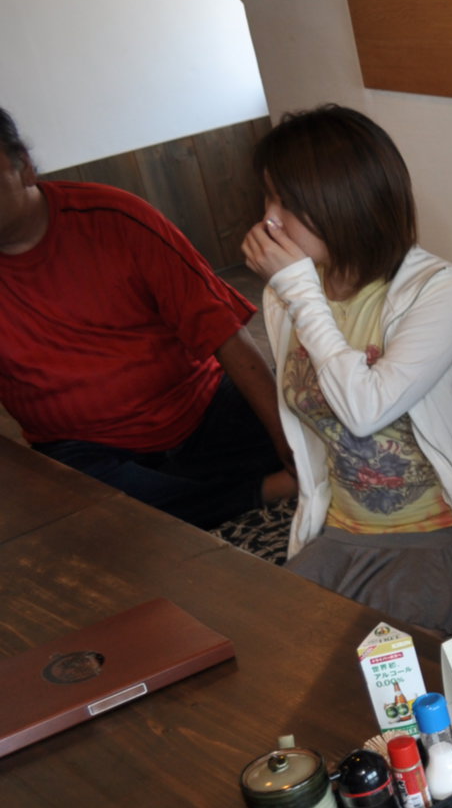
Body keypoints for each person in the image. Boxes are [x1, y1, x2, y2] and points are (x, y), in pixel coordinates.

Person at [241, 105, 452, 631]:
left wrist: (298, 291)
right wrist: (297, 291)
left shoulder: (442, 289)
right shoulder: (288, 294)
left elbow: (366, 411)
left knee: (381, 667)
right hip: (339, 533)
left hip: (435, 538)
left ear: (342, 200)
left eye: (286, 201)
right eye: (267, 197)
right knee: (269, 641)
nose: (269, 219)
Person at [0, 107, 292, 528]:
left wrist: (285, 439)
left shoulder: (115, 218)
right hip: (87, 450)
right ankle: (263, 490)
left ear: (24, 167)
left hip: (203, 409)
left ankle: (207, 496)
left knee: (317, 426)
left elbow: (223, 332)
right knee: (89, 509)